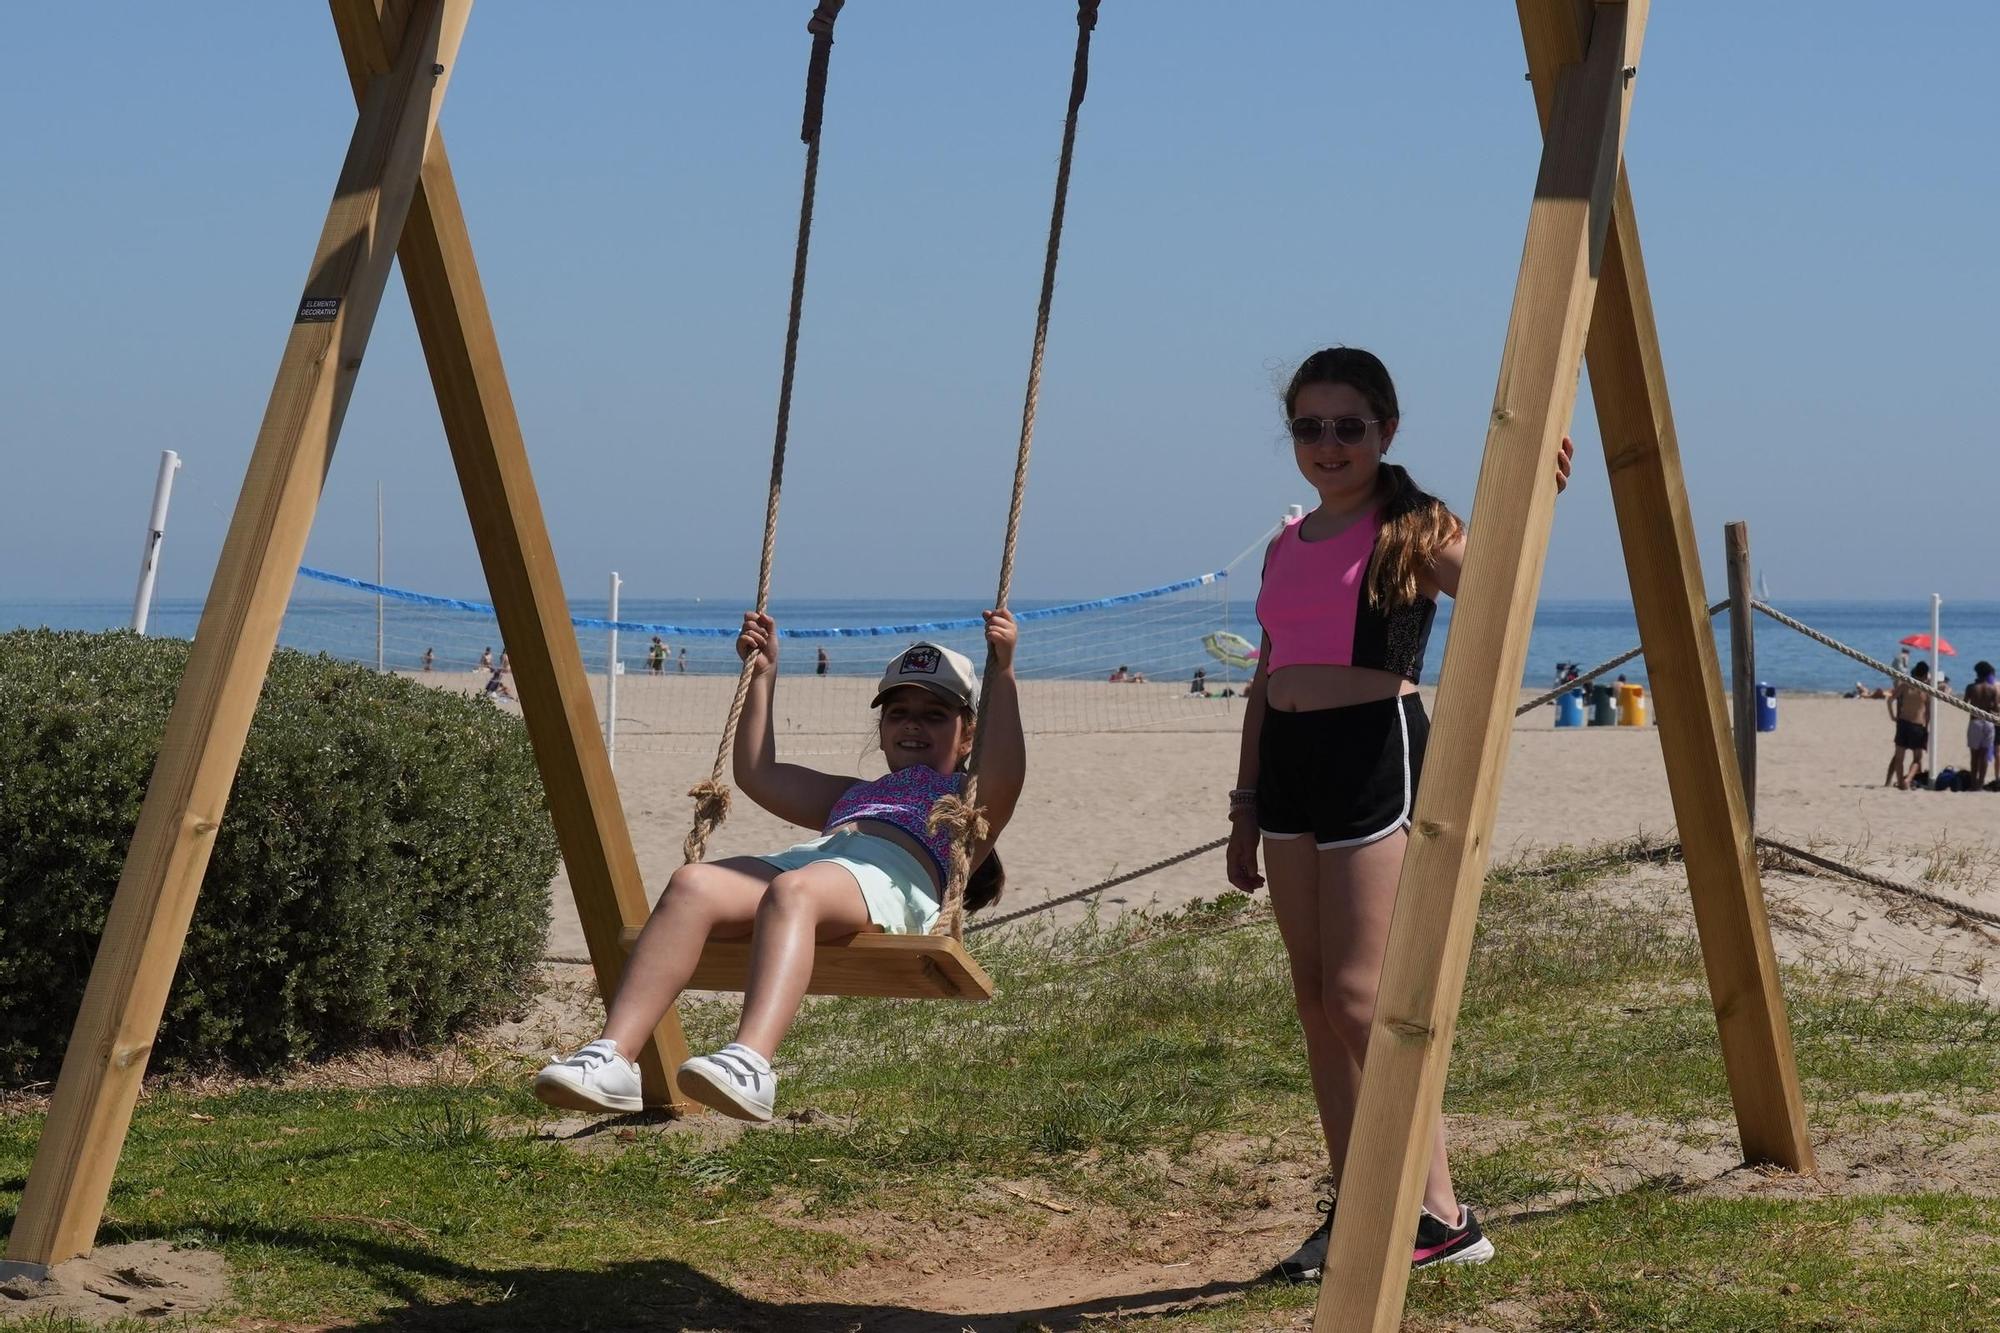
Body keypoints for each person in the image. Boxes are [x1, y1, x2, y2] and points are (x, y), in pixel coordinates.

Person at [1226, 346, 1572, 1281]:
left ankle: (1443, 1214)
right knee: (1311, 1000)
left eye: (1349, 426)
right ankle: (1362, 1206)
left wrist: (1537, 497)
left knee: (1358, 996)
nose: (1328, 444)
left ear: (1387, 430)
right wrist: (1245, 804)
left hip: (1375, 749)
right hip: (1290, 767)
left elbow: (1506, 587)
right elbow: (1266, 678)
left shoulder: (1413, 526)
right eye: (1310, 426)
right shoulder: (1284, 542)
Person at [533, 611, 1024, 1123]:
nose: (913, 723)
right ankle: (613, 1055)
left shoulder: (967, 802)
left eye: (935, 714)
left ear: (969, 736)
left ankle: (752, 1062)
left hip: (891, 882)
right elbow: (758, 772)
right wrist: (764, 674)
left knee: (794, 892)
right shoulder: (853, 795)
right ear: (881, 731)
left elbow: (1009, 768)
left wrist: (1005, 673)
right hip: (820, 865)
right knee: (693, 883)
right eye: (898, 712)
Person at [1886, 661, 1932, 790]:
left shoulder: (1905, 684)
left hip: (1903, 723)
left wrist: (1892, 716)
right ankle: (1908, 779)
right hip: (1917, 725)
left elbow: (1890, 700)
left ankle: (1901, 782)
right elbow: (1928, 712)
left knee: (1899, 757)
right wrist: (1926, 727)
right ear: (1925, 674)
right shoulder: (1926, 689)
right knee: (1917, 758)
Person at [1967, 662, 1998, 787]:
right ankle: (1980, 782)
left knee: (1974, 755)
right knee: (1984, 754)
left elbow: (1964, 703)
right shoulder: (1992, 689)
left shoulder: (1972, 687)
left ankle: (1974, 782)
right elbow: (1995, 707)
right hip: (1988, 722)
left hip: (1975, 721)